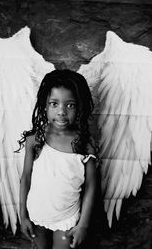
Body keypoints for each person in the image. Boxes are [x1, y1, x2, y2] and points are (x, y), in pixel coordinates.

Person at [18, 69, 97, 249]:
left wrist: (83, 225)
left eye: (70, 105)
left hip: (66, 219)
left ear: (79, 107)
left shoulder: (83, 144)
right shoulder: (36, 140)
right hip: (36, 215)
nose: (61, 111)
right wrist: (22, 216)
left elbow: (92, 185)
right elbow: (26, 178)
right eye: (54, 104)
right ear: (44, 106)